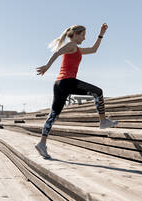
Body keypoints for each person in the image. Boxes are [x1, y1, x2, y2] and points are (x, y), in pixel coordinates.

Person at [35, 23, 118, 159]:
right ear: (76, 35)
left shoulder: (76, 49)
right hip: (67, 81)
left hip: (59, 84)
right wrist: (47, 66)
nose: (84, 38)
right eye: (83, 35)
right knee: (98, 92)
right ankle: (103, 121)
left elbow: (93, 49)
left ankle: (42, 143)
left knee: (53, 115)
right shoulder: (72, 44)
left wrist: (101, 34)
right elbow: (57, 52)